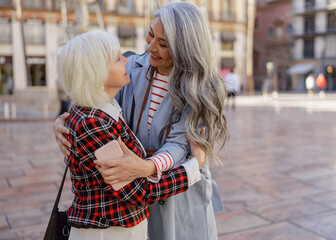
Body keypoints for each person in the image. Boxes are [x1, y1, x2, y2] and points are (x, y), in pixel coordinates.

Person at [54, 2, 229, 240]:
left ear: (184, 48)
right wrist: (65, 121)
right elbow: (94, 95)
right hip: (132, 195)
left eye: (163, 44)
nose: (150, 46)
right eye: (150, 34)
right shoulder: (129, 68)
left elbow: (180, 143)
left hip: (176, 188)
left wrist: (147, 167)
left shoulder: (201, 88)